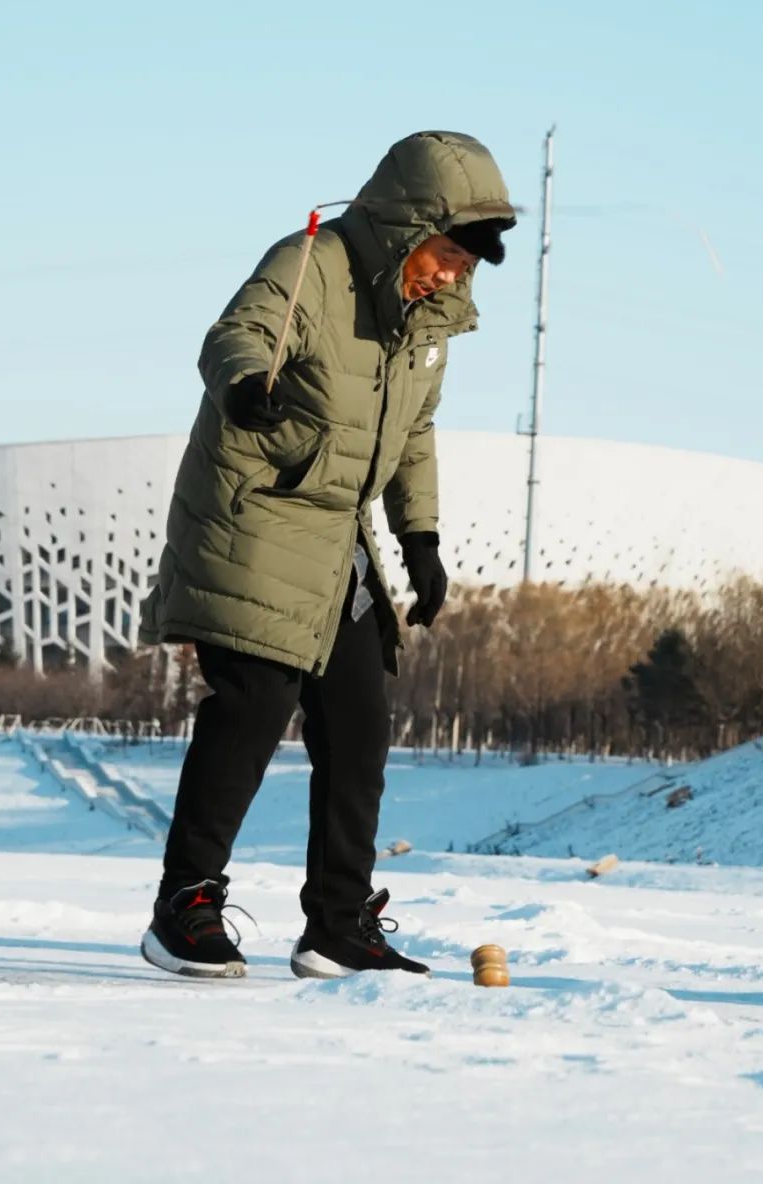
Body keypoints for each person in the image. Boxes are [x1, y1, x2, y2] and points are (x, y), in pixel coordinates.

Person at [137, 130, 516, 979]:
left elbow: (412, 431)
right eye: (446, 254)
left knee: (359, 721)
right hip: (258, 512)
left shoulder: (426, 324)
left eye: (465, 266)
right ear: (406, 228)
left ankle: (338, 924)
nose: (452, 275)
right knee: (254, 703)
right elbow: (235, 334)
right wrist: (245, 385)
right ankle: (184, 907)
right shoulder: (311, 264)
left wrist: (420, 536)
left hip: (336, 536)